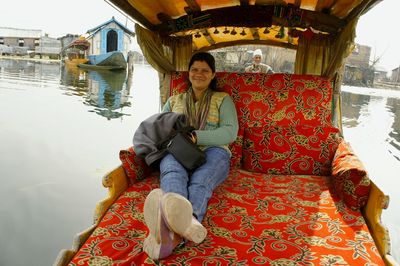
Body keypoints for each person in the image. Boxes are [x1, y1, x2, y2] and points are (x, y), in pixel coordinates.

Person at [142, 52, 239, 260]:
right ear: (189, 72)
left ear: (213, 75)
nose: (199, 74)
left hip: (215, 151)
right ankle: (189, 226)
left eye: (205, 70)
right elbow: (159, 129)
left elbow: (230, 132)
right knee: (171, 171)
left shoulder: (222, 99)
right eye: (195, 69)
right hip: (179, 151)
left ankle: (172, 233)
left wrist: (195, 136)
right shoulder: (174, 100)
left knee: (201, 181)